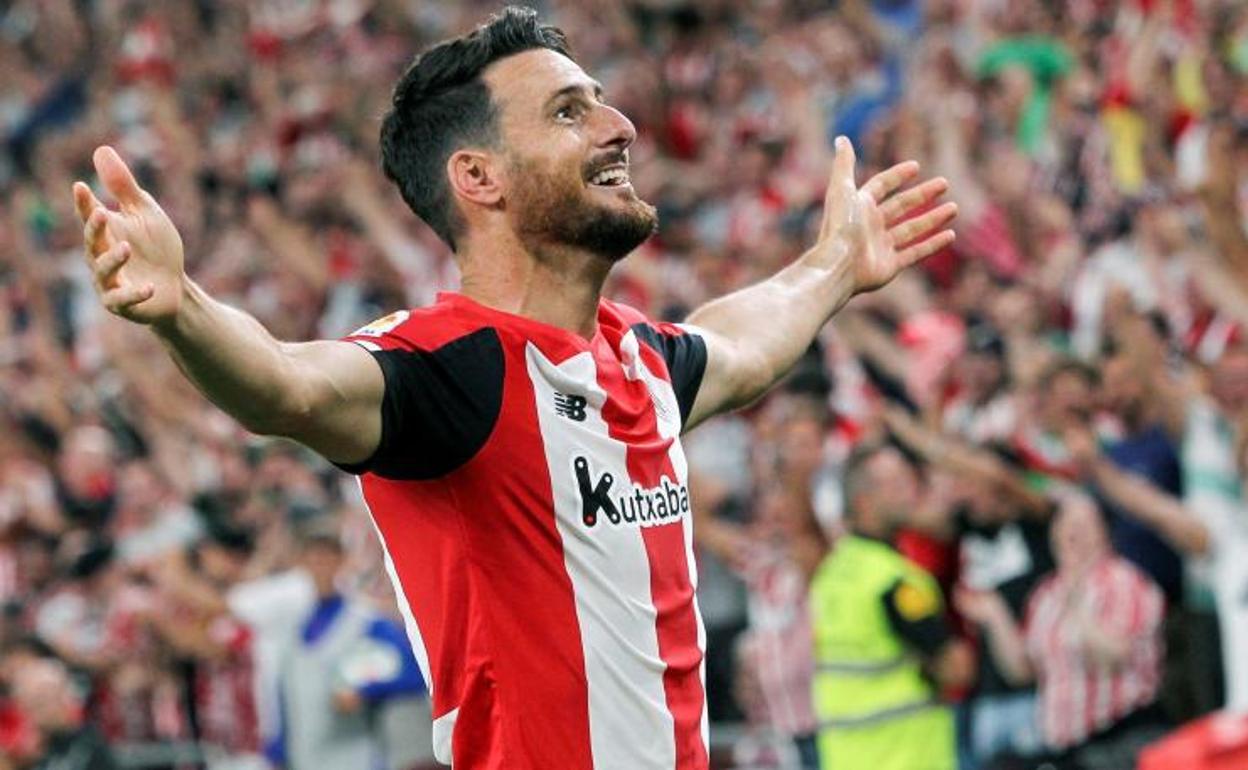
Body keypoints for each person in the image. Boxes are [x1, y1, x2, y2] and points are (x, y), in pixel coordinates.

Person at [69, 6, 956, 767]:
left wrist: (834, 266)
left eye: (601, 100)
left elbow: (742, 344)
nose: (619, 126)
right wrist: (182, 308)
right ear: (479, 177)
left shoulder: (638, 362)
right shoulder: (449, 372)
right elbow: (287, 386)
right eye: (570, 111)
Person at [957, 493, 1168, 769]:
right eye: (1065, 524)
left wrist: (1077, 605)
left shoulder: (1124, 581)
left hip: (1121, 737)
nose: (1071, 534)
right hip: (1068, 748)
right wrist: (996, 616)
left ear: (1105, 534)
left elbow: (1114, 657)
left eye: (1082, 526)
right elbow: (1023, 672)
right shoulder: (1046, 594)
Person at [809, 444, 974, 770]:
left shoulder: (832, 572)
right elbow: (957, 670)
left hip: (847, 759)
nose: (910, 489)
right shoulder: (895, 581)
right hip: (906, 755)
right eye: (895, 483)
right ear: (864, 502)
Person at [268, 523, 430, 770]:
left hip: (356, 753)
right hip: (305, 758)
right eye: (312, 558)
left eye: (326, 558)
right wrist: (278, 751)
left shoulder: (364, 620)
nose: (319, 566)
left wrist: (367, 690)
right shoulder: (293, 628)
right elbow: (286, 697)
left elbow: (416, 673)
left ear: (341, 561)